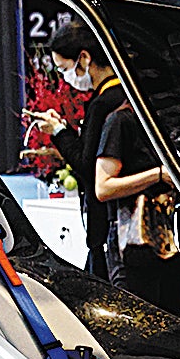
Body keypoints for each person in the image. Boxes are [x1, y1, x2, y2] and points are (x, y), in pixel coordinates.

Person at [31, 20, 127, 279]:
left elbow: (87, 165)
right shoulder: (126, 92)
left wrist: (59, 134)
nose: (65, 78)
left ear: (84, 58)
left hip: (108, 226)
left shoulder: (103, 103)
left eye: (64, 69)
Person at [94, 97, 180, 314]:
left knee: (172, 321)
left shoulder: (172, 121)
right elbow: (103, 187)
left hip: (171, 238)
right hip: (133, 239)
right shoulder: (122, 121)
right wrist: (157, 175)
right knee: (138, 320)